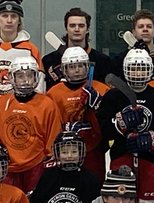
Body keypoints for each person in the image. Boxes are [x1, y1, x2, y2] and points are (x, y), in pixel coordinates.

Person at [96, 49, 154, 203]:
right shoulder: (113, 96)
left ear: (150, 70)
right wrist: (118, 124)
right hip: (121, 159)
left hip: (151, 164)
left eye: (142, 68)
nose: (138, 73)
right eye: (133, 68)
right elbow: (102, 129)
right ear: (125, 69)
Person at [0, 55, 62, 194]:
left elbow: (53, 138)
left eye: (30, 75)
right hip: (7, 167)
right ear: (12, 78)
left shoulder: (48, 105)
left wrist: (49, 163)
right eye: (20, 76)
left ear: (36, 78)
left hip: (36, 165)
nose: (25, 80)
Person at [45, 47, 110, 176]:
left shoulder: (102, 89)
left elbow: (108, 125)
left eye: (80, 66)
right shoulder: (53, 93)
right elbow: (52, 125)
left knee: (94, 187)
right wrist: (67, 129)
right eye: (72, 66)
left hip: (93, 149)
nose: (76, 70)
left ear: (87, 67)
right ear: (64, 69)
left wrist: (97, 107)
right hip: (65, 150)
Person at [42, 7, 111, 87]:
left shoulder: (102, 61)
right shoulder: (49, 61)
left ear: (87, 29)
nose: (77, 29)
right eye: (72, 26)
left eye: (81, 26)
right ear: (66, 29)